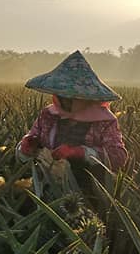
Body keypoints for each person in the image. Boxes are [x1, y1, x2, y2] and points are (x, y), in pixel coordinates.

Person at [16, 52, 128, 184]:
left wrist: (79, 152)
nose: (64, 100)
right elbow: (30, 141)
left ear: (86, 97)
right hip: (45, 184)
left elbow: (118, 156)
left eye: (70, 96)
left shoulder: (104, 121)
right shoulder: (48, 114)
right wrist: (25, 147)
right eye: (60, 94)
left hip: (88, 191)